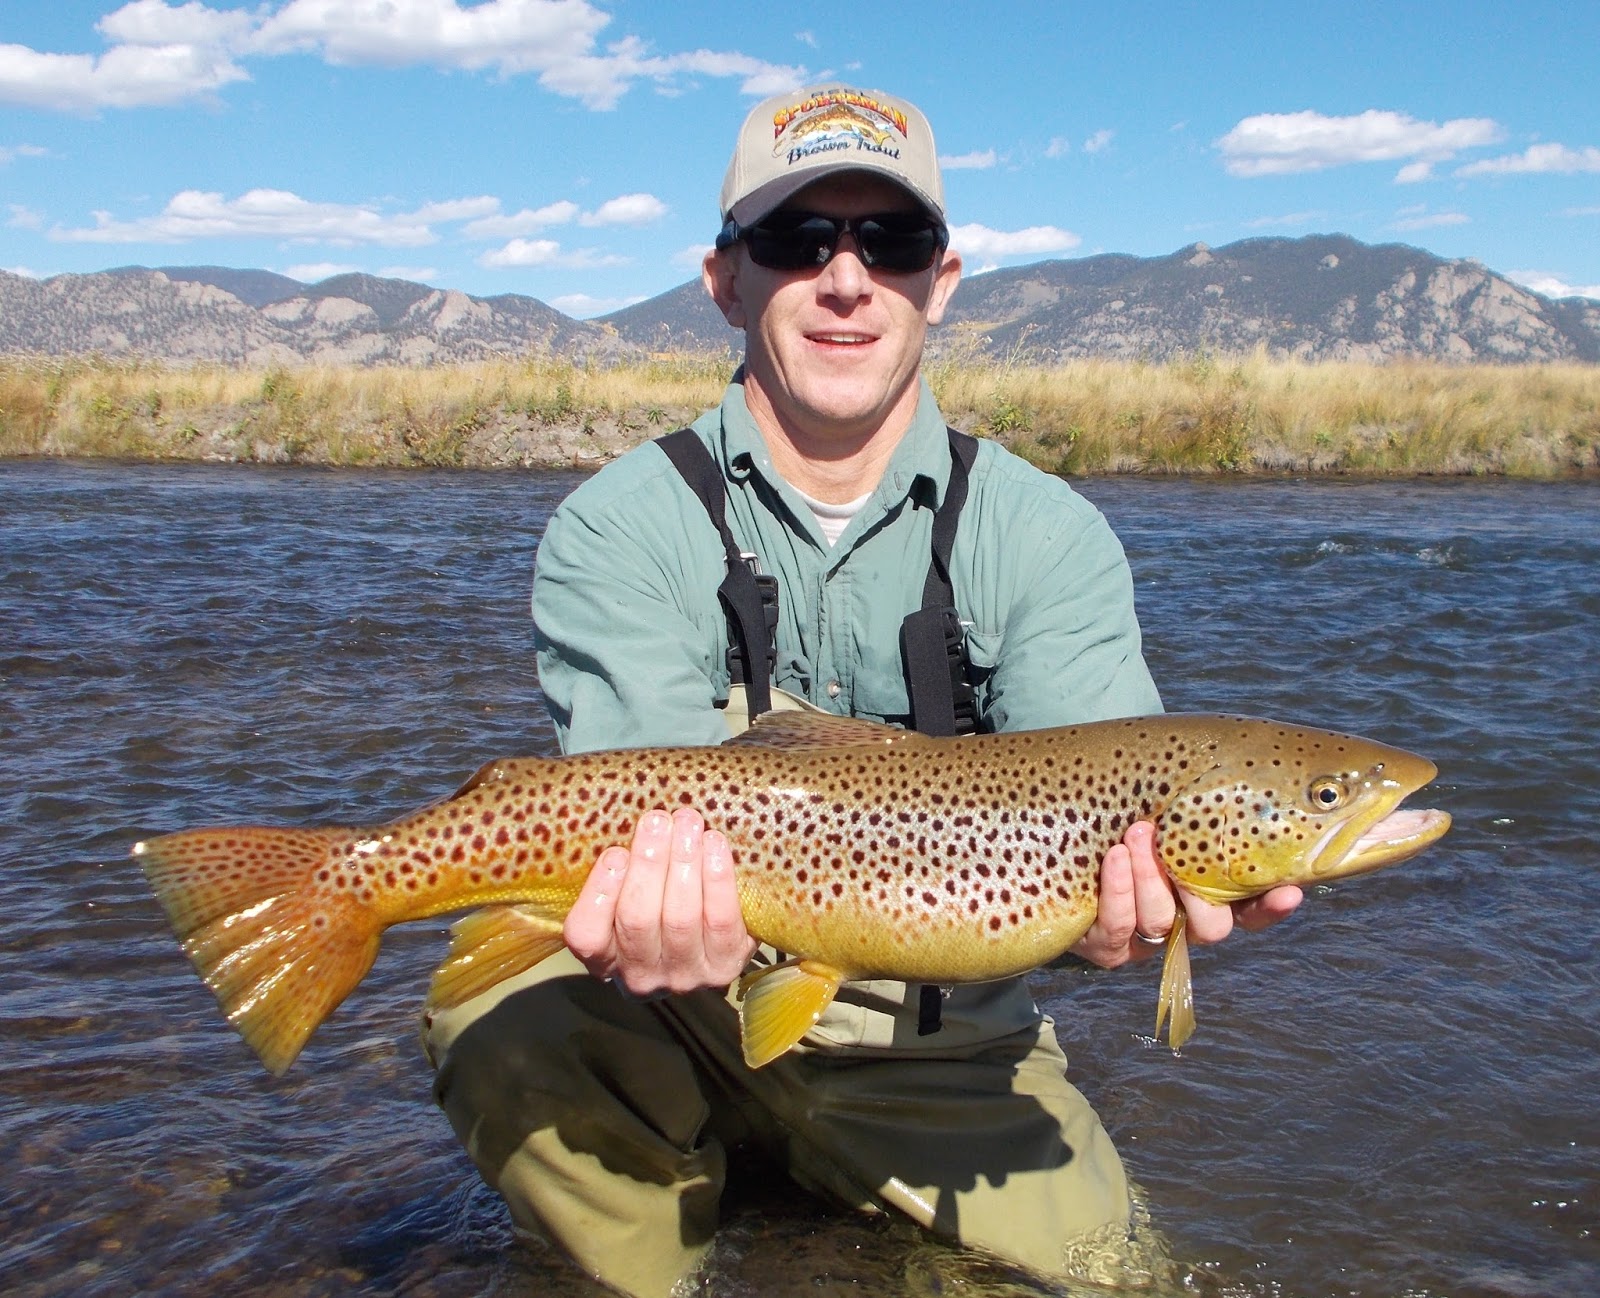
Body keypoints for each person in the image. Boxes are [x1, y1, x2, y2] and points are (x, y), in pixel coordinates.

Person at [424, 84, 1301, 1298]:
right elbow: (637, 813)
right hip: (660, 1006)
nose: (845, 278)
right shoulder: (619, 523)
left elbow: (1103, 809)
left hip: (940, 1048)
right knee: (501, 1019)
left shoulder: (1045, 534)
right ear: (724, 280)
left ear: (940, 283)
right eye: (795, 240)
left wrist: (1135, 913)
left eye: (886, 243)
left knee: (1122, 1284)